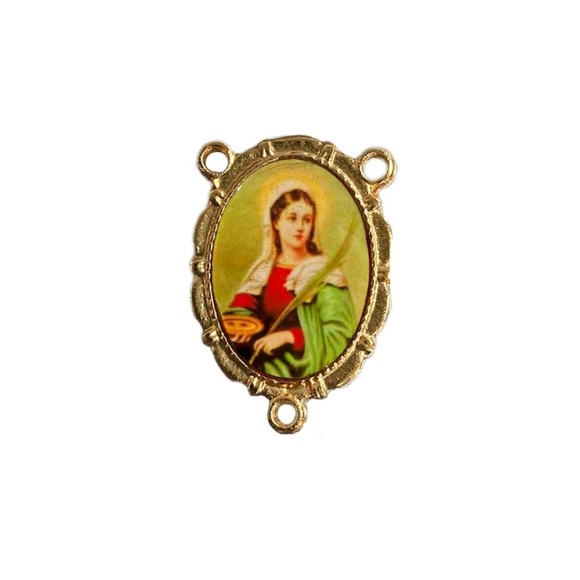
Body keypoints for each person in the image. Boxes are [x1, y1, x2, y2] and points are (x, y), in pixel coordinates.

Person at [224, 188, 357, 378]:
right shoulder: (264, 271)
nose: (300, 227)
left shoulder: (323, 273)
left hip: (303, 369)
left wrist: (290, 337)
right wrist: (240, 329)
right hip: (261, 366)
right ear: (276, 222)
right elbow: (242, 312)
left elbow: (339, 335)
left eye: (307, 220)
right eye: (292, 218)